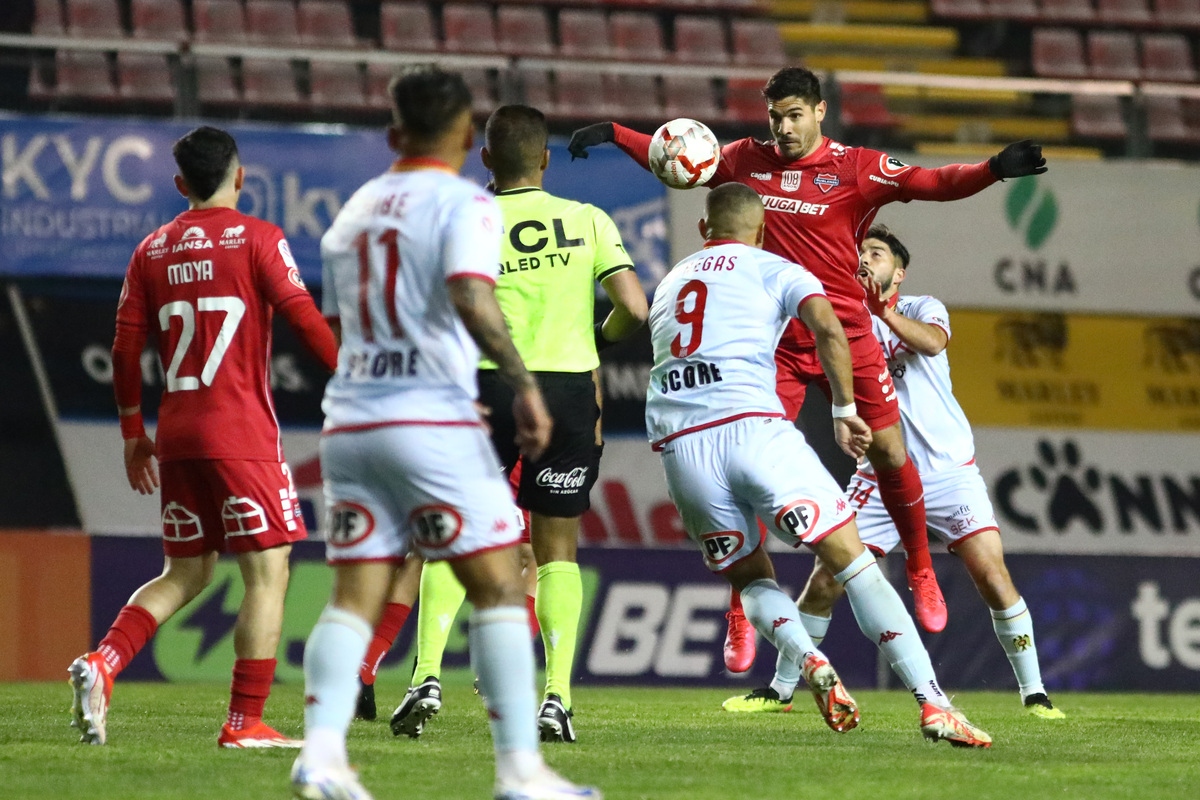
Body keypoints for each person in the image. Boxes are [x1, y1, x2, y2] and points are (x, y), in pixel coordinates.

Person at [568, 66, 1049, 654]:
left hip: (845, 333)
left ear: (820, 112)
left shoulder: (856, 168)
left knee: (891, 450)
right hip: (777, 343)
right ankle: (742, 607)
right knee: (750, 473)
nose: (785, 128)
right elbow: (680, 157)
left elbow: (933, 181)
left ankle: (921, 567)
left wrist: (993, 169)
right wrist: (617, 133)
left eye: (795, 115)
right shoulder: (747, 158)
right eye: (776, 117)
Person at [291, 68, 599, 800]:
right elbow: (470, 294)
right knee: (497, 584)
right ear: (468, 139)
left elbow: (338, 326)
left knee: (352, 595)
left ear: (394, 134)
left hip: (354, 418)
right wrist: (524, 385)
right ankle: (521, 772)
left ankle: (321, 756)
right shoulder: (467, 204)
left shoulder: (350, 214)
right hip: (430, 415)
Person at [646, 183, 991, 747]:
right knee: (852, 564)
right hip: (754, 429)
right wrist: (843, 409)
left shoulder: (670, 282)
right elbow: (830, 328)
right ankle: (933, 705)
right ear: (761, 230)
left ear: (704, 230)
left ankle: (807, 661)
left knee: (750, 575)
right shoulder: (777, 267)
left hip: (682, 445)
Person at [69, 126, 339, 748]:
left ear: (179, 184)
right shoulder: (261, 239)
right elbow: (304, 319)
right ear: (240, 178)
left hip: (179, 432)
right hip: (241, 432)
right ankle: (245, 722)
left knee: (186, 571)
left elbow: (124, 346)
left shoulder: (151, 250)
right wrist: (355, 379)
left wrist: (135, 433)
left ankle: (103, 664)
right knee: (269, 574)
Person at [725, 226, 1064, 719]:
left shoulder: (922, 306)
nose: (865, 259)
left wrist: (882, 311)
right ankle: (779, 690)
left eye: (876, 254)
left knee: (992, 575)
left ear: (898, 272)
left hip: (949, 473)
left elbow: (931, 343)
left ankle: (1035, 693)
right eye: (859, 252)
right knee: (825, 581)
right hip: (878, 481)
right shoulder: (838, 317)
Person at [390, 104, 648, 745]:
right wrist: (596, 338)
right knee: (556, 549)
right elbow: (635, 310)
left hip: (483, 386)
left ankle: (425, 675)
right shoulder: (587, 220)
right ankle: (557, 697)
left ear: (485, 161)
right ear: (545, 160)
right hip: (563, 393)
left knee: (454, 533)